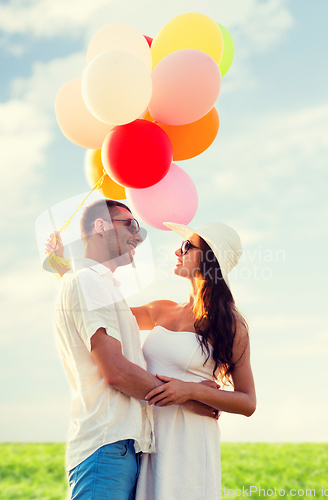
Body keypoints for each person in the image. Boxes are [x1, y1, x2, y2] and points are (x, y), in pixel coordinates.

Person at [47, 199, 218, 500]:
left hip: (121, 447)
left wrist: (63, 268)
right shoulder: (88, 282)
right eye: (132, 225)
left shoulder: (99, 286)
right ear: (100, 226)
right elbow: (115, 372)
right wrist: (187, 397)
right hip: (106, 446)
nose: (138, 236)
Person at [131, 221, 256, 500]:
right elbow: (102, 313)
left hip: (191, 441)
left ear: (210, 258)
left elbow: (248, 402)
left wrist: (191, 391)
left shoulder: (230, 323)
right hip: (149, 437)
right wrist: (66, 271)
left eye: (188, 246)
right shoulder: (159, 309)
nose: (178, 251)